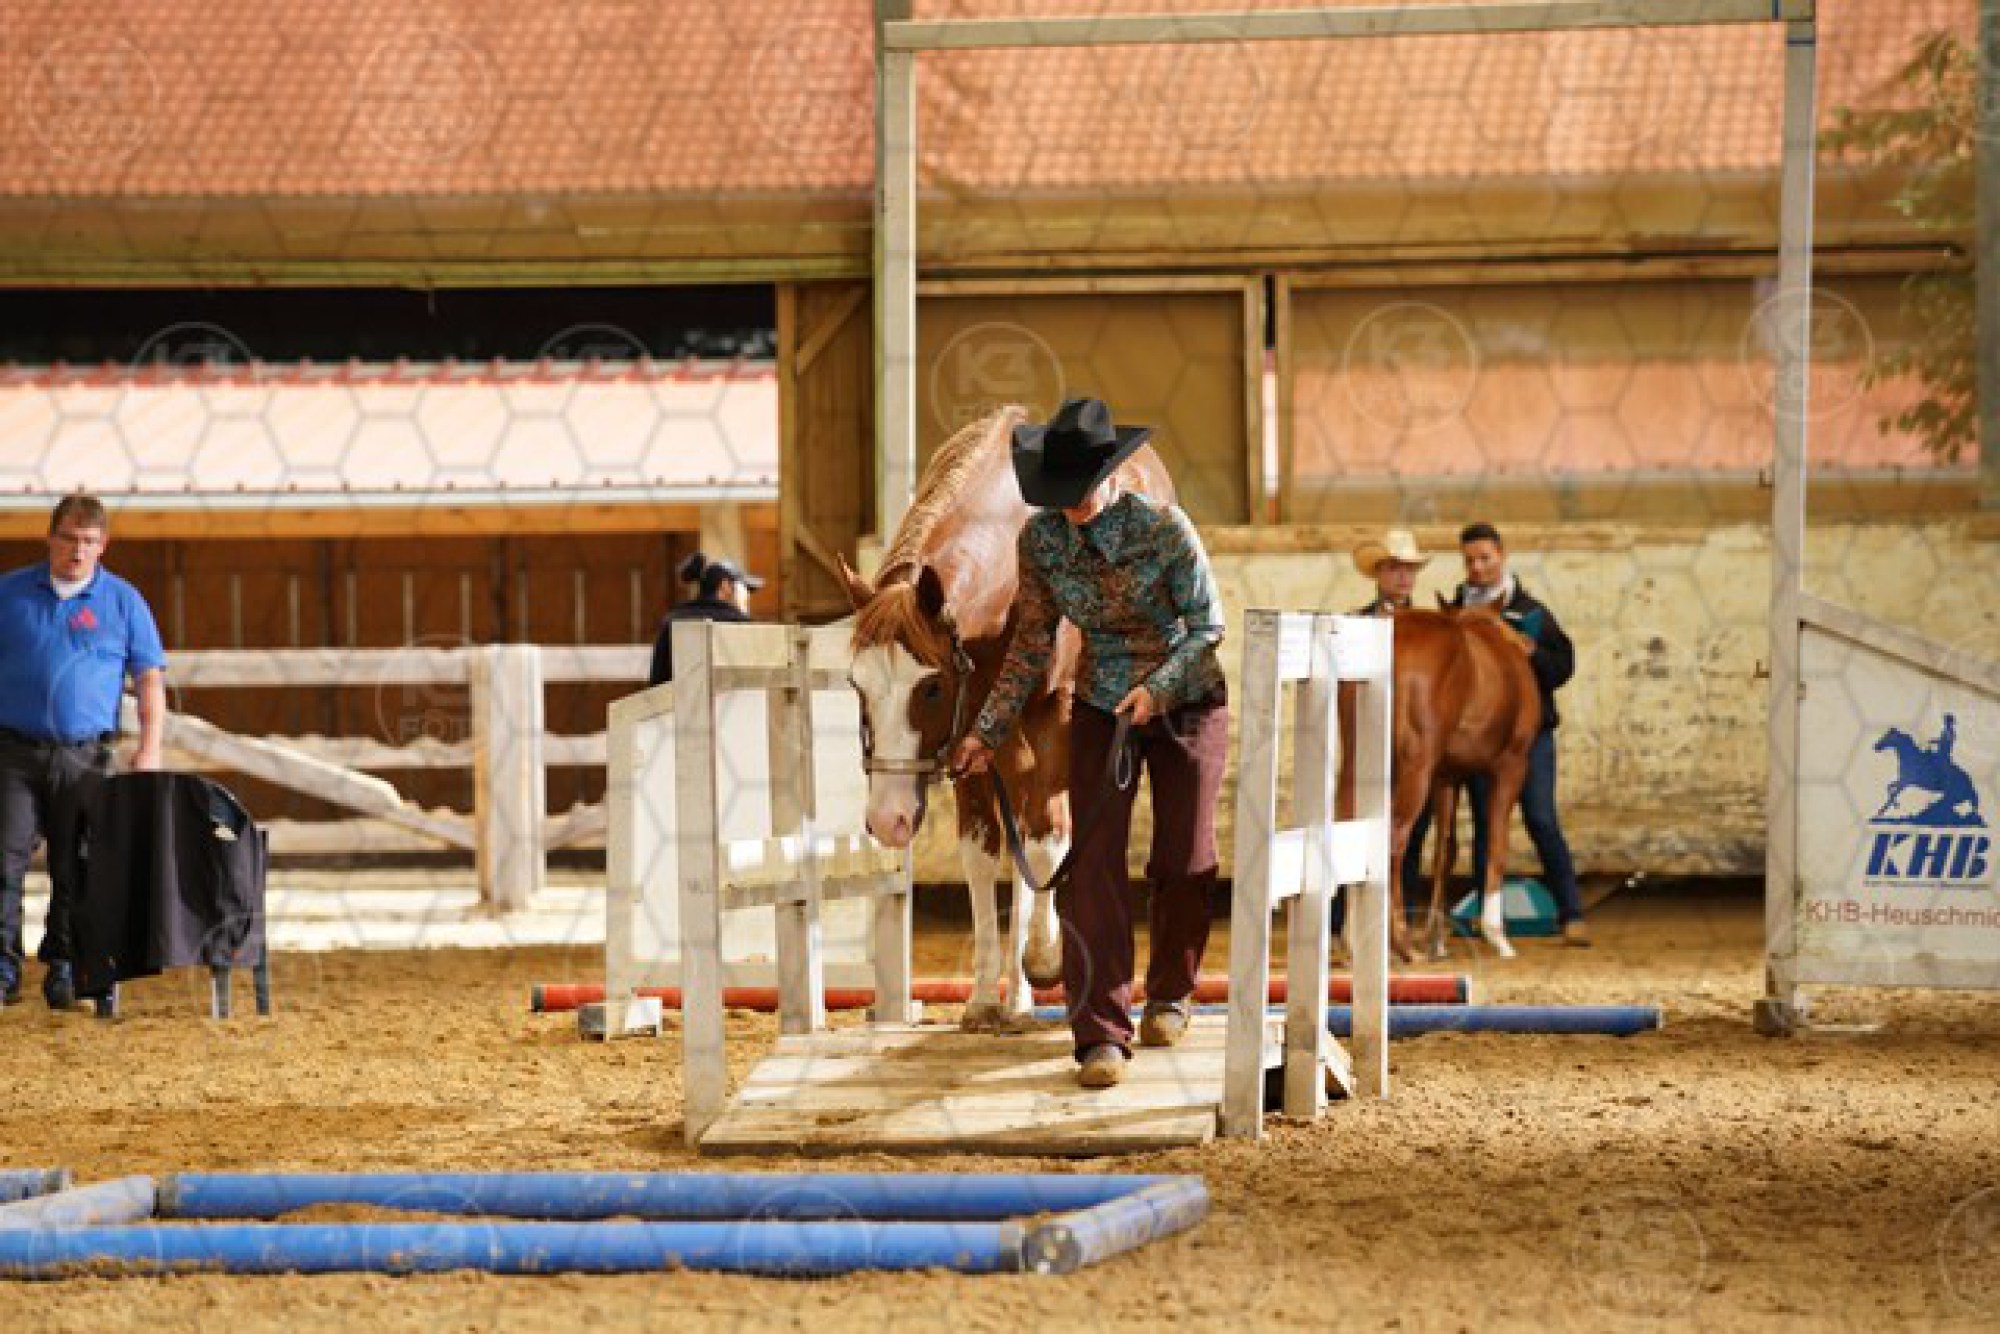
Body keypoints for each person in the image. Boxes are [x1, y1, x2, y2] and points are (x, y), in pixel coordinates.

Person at [949, 396, 1229, 1091]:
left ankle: (1170, 995)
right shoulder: (1041, 542)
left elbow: (1207, 628)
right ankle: (1100, 1033)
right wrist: (985, 732)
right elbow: (1031, 644)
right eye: (1059, 492)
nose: (1070, 504)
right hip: (1102, 702)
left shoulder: (1163, 529)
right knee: (1091, 866)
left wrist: (1157, 690)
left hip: (1185, 697)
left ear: (1111, 475)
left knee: (1184, 857)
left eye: (1081, 489)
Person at [0, 494, 167, 1008]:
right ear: (49, 538)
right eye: (69, 538)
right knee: (3, 863)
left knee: (78, 866)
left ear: (103, 546)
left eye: (89, 541)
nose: (77, 550)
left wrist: (150, 748)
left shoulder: (123, 602)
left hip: (86, 757)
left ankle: (65, 969)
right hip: (13, 754)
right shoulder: (9, 594)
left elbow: (149, 679)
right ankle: (3, 971)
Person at [1452, 521, 1589, 946]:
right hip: (1478, 737)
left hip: (1532, 737)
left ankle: (1572, 914)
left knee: (1541, 819)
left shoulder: (1531, 612)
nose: (1478, 568)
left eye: (1485, 558)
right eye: (1470, 561)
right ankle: (1485, 913)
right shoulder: (1455, 613)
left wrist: (1528, 650)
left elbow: (1563, 665)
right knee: (1484, 823)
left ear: (1502, 556)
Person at [647, 551, 763, 687]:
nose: (747, 596)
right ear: (724, 585)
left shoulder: (672, 620)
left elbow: (658, 678)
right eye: (744, 590)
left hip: (679, 699)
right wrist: (743, 613)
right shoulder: (740, 623)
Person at [1351, 528, 1430, 617]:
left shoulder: (1427, 621)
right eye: (1394, 568)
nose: (1404, 576)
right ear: (1378, 573)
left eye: (1410, 569)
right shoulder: (1357, 620)